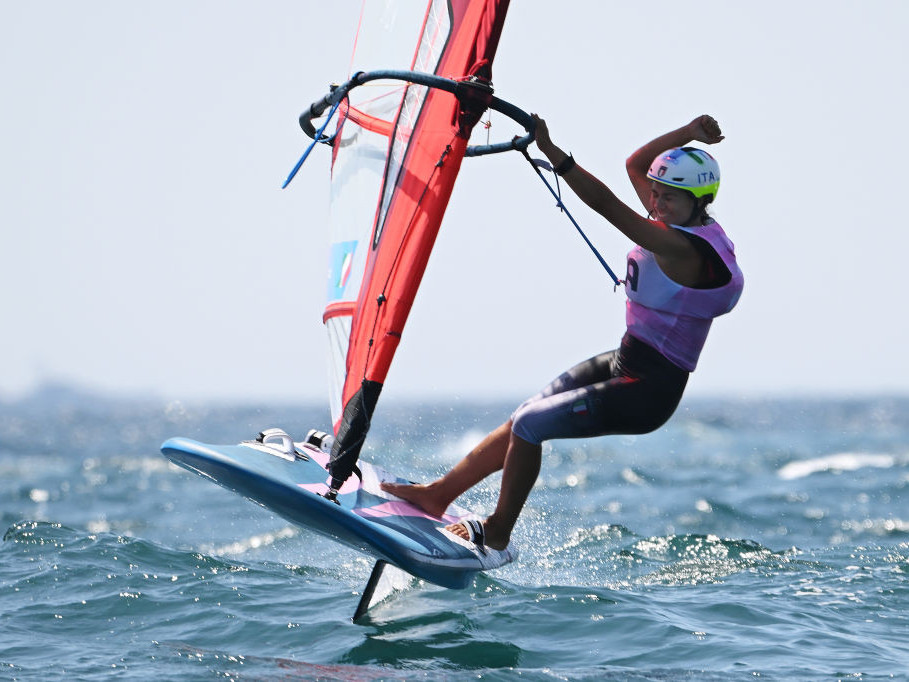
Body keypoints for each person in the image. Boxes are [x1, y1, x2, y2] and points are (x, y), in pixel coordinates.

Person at [381, 115, 744, 551]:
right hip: (626, 358)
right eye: (656, 193)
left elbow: (609, 207)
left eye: (668, 198)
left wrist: (553, 152)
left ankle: (497, 530)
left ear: (698, 199)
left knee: (534, 426)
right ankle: (437, 495)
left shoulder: (683, 247)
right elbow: (635, 163)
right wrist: (688, 133)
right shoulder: (678, 218)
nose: (657, 203)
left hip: (650, 389)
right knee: (524, 416)